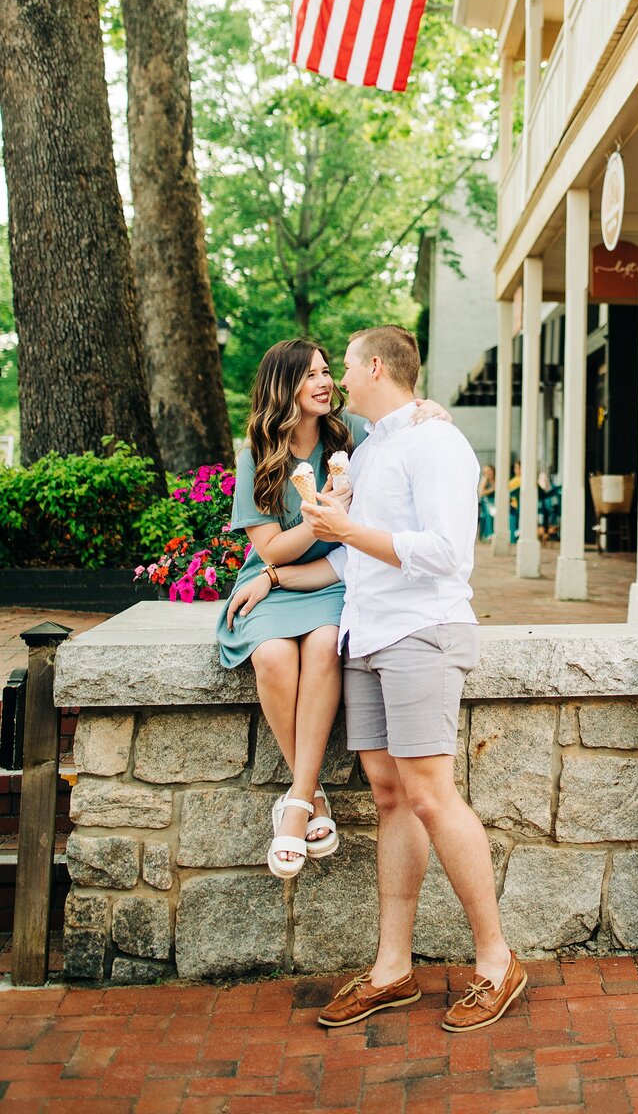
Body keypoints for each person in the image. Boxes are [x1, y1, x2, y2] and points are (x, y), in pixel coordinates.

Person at [227, 324, 525, 1034]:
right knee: (392, 796)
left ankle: (496, 960)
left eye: (345, 368)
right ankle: (394, 969)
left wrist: (347, 530)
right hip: (366, 634)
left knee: (430, 793)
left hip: (421, 634)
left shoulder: (436, 442)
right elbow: (347, 562)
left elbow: (449, 555)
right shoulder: (367, 449)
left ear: (377, 367)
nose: (336, 383)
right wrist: (275, 576)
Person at [218, 338, 445, 879]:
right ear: (283, 387)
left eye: (327, 372)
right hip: (271, 579)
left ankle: (295, 800)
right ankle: (312, 792)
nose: (326, 383)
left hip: (334, 577)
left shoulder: (352, 438)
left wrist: (433, 409)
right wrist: (321, 520)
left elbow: (408, 421)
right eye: (311, 376)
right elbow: (269, 548)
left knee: (323, 645)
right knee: (272, 657)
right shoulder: (257, 453)